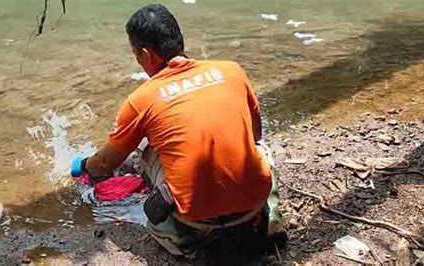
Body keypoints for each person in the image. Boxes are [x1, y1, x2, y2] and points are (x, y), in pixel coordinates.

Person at [70, 4, 286, 256]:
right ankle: (270, 216)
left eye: (137, 57)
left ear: (146, 55)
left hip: (196, 217)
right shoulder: (232, 71)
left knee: (143, 150)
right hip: (253, 201)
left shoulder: (141, 99)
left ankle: (178, 236)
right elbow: (255, 135)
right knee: (260, 150)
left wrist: (83, 165)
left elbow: (106, 163)